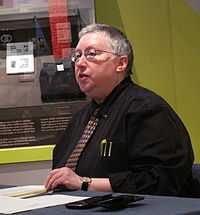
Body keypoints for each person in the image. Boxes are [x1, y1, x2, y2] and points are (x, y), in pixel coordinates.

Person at [45, 23, 194, 197]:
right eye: (77, 56)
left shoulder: (146, 109)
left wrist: (84, 183)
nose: (80, 63)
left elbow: (160, 180)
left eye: (91, 54)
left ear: (121, 64)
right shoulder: (80, 118)